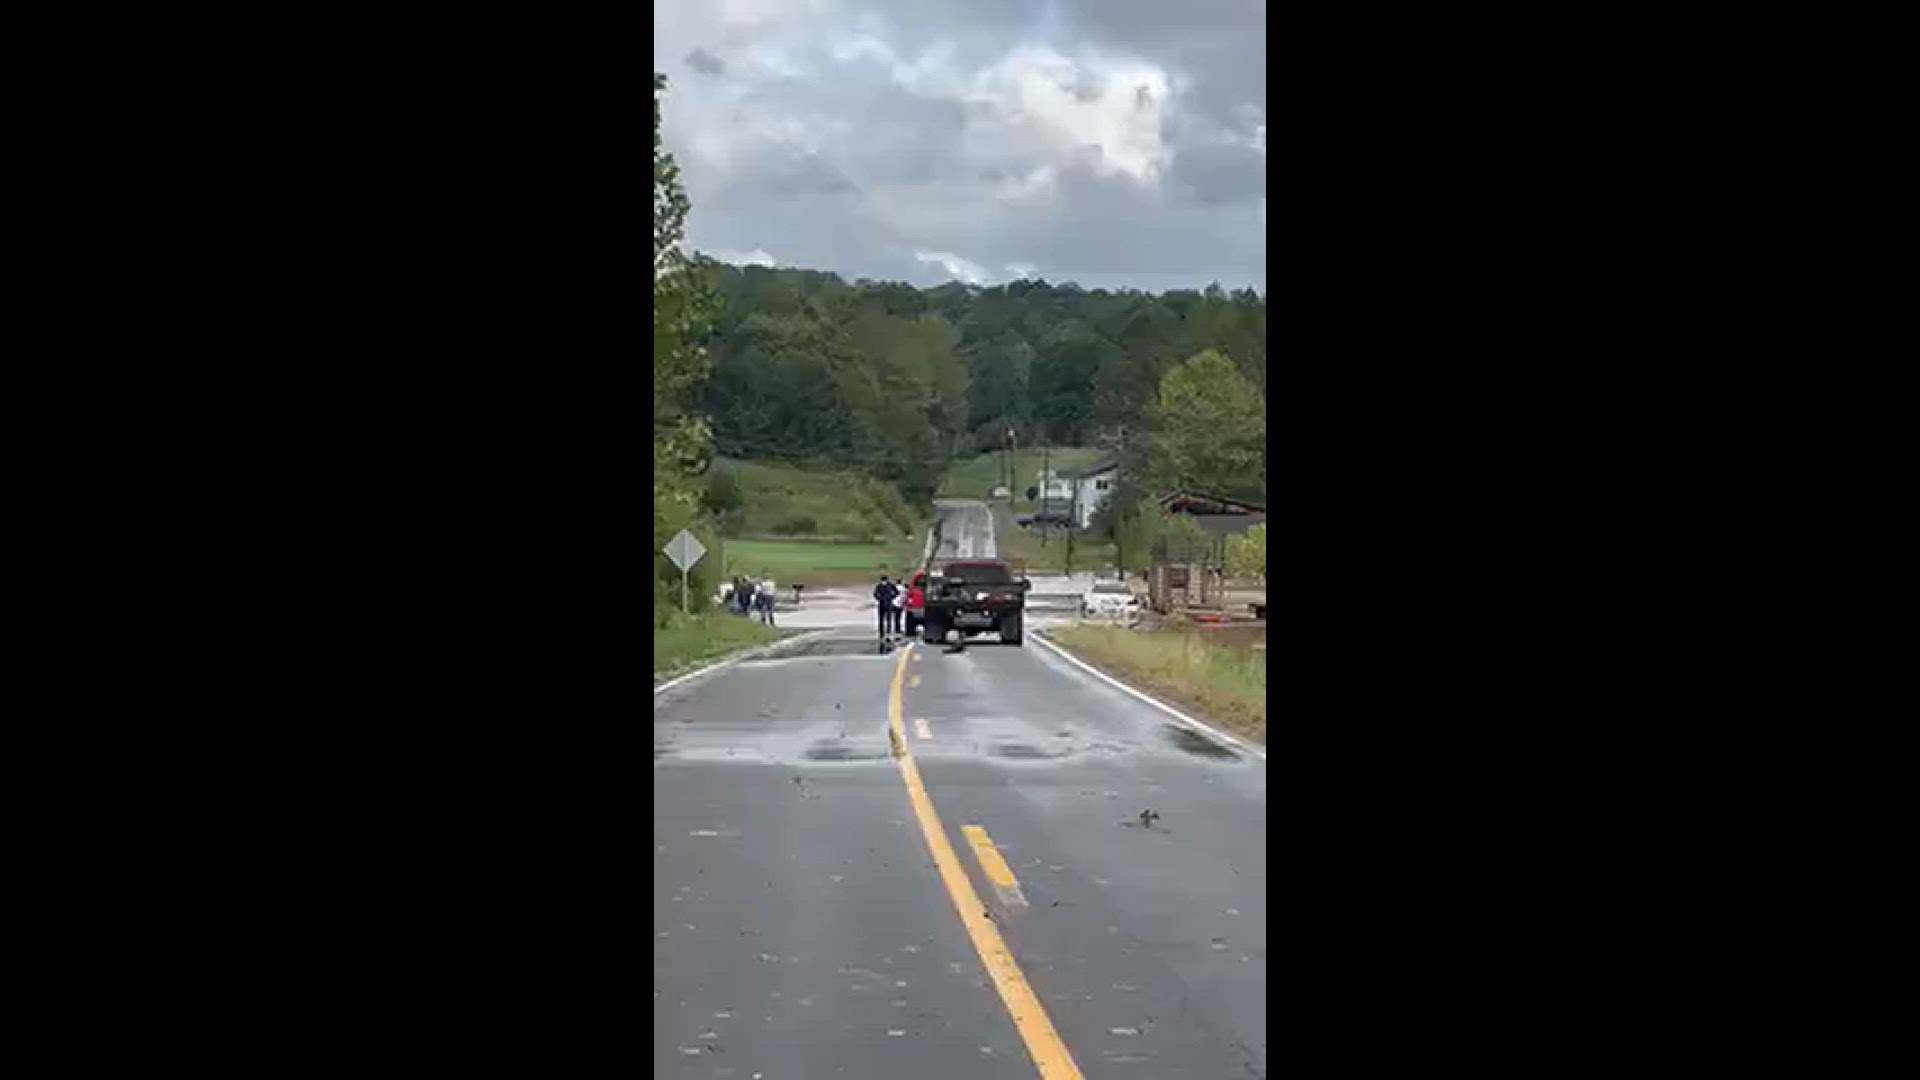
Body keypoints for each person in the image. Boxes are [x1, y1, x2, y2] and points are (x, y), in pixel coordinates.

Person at [873, 574, 898, 639]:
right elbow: (875, 594)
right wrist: (880, 598)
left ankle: (885, 631)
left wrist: (891, 597)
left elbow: (897, 592)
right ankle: (884, 632)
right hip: (884, 603)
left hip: (886, 603)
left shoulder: (883, 585)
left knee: (885, 619)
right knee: (883, 619)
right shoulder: (882, 585)